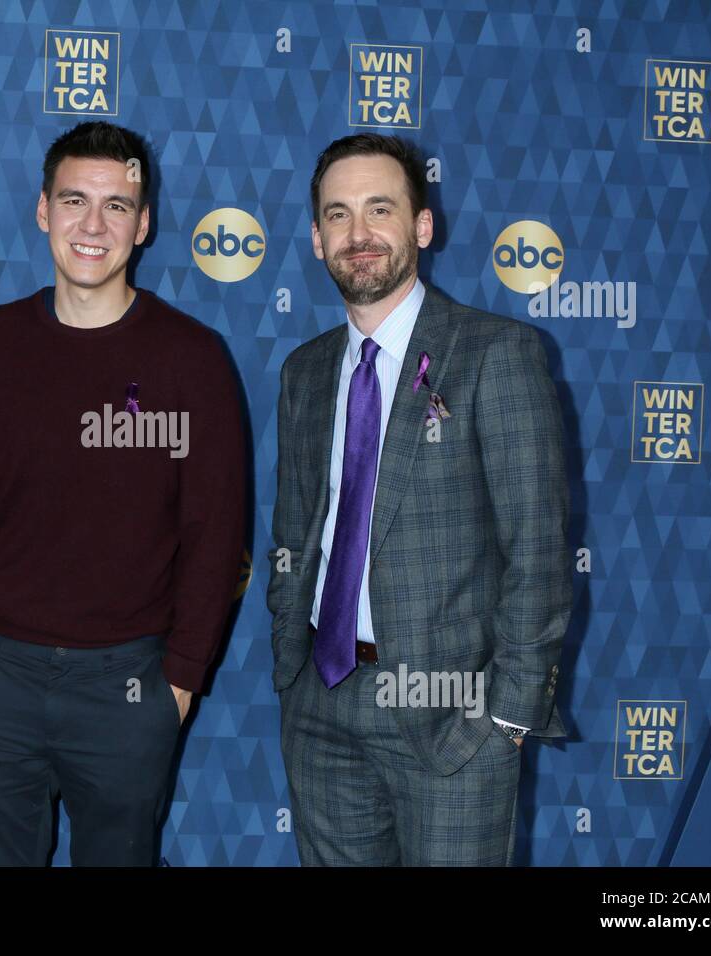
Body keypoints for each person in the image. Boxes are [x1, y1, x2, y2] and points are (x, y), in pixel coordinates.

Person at [0, 121, 246, 866]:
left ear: (144, 223)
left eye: (116, 205)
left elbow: (214, 530)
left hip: (129, 685)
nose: (92, 225)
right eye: (74, 200)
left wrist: (181, 683)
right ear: (43, 211)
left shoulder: (192, 358)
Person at [268, 133, 570, 865]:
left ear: (422, 226)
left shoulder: (497, 353)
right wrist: (291, 669)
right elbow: (295, 530)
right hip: (322, 702)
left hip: (451, 718)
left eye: (380, 209)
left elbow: (538, 551)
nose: (359, 234)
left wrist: (506, 717)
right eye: (337, 216)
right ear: (315, 238)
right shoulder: (304, 372)